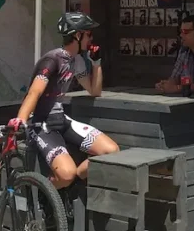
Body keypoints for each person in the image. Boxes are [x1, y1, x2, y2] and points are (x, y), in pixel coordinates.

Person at [8, 12, 119, 189]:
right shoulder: (52, 60)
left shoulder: (77, 61)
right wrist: (20, 120)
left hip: (62, 120)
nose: (91, 38)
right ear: (77, 35)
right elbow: (34, 93)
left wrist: (96, 63)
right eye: (88, 34)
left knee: (111, 152)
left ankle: (74, 184)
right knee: (66, 174)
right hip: (41, 124)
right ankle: (46, 195)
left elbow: (94, 90)